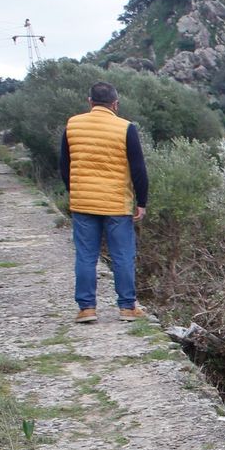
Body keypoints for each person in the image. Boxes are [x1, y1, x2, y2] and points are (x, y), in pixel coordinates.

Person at [60, 81, 149, 323]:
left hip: (83, 203)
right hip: (116, 204)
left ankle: (87, 308)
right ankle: (127, 307)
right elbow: (138, 168)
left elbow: (64, 165)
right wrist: (142, 201)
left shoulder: (73, 125)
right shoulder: (125, 128)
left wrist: (74, 190)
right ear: (115, 104)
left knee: (86, 256)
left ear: (90, 102)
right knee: (122, 255)